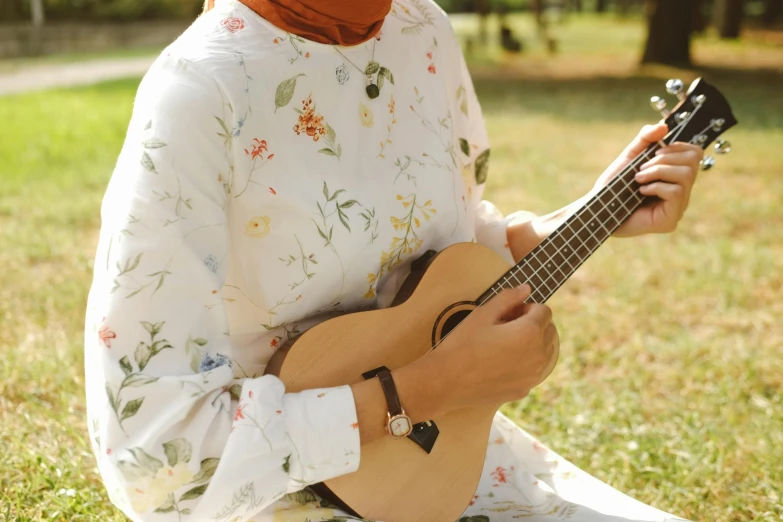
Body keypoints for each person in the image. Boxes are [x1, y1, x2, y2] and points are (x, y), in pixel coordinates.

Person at [83, 0, 703, 520]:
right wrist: (433, 386)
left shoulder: (420, 28)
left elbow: (439, 268)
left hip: (434, 471)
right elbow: (154, 462)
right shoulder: (199, 91)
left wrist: (594, 213)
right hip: (266, 497)